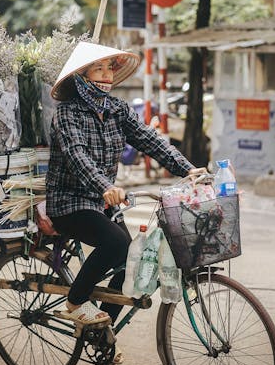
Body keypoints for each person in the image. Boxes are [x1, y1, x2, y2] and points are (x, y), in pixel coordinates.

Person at [45, 42, 205, 340]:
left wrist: (188, 169)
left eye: (110, 68)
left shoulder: (118, 109)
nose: (106, 75)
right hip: (69, 202)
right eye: (98, 69)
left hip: (104, 203)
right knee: (117, 244)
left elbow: (149, 139)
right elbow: (76, 156)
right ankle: (76, 301)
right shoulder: (67, 113)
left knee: (131, 262)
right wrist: (105, 186)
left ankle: (101, 333)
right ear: (81, 76)